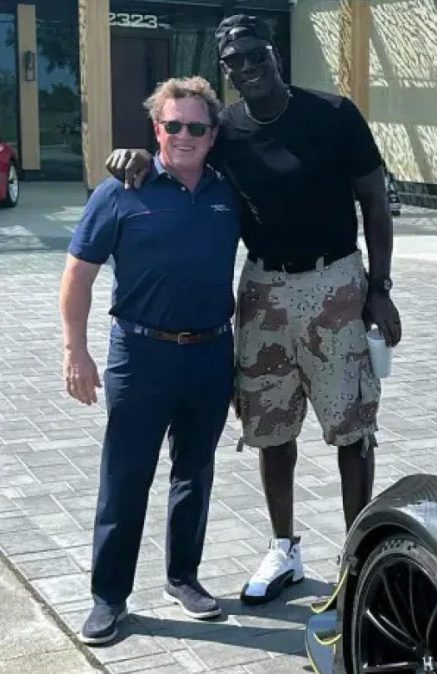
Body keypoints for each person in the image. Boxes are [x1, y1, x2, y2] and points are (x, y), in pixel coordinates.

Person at [106, 14, 402, 606]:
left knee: (351, 428)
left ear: (275, 55)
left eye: (256, 54)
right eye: (234, 61)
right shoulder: (227, 131)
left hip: (335, 283)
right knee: (270, 426)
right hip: (263, 289)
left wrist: (379, 287)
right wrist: (137, 155)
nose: (247, 67)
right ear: (226, 70)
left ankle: (358, 557)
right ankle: (284, 547)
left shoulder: (334, 114)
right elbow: (182, 150)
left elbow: (374, 199)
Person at [62, 76, 239, 645]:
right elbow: (78, 275)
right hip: (140, 356)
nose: (185, 136)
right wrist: (75, 351)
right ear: (156, 129)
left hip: (211, 353)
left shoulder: (229, 191)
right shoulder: (120, 191)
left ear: (212, 135)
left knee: (195, 471)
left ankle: (183, 577)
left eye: (197, 127)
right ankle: (108, 598)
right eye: (173, 125)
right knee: (126, 477)